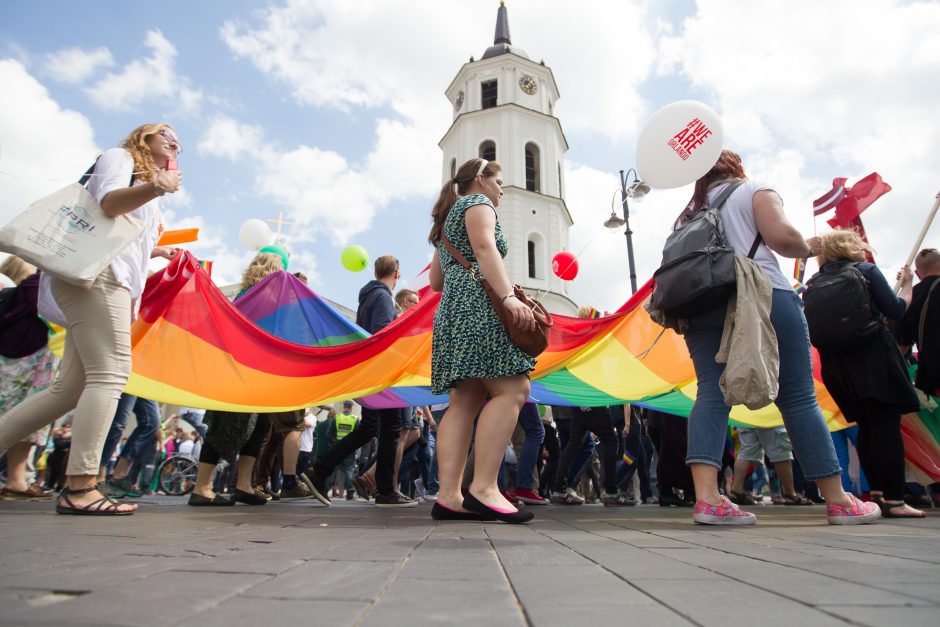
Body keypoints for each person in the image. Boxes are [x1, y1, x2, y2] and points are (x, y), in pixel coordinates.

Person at [674, 150, 880, 526]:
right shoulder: (753, 190)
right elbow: (781, 237)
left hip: (701, 305)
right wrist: (810, 247)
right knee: (798, 396)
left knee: (711, 393)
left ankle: (708, 500)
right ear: (736, 167)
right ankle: (838, 500)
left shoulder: (687, 215)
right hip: (763, 293)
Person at [0, 123, 183, 515]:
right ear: (143, 137)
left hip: (103, 280)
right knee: (112, 374)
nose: (174, 140)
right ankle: (81, 485)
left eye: (177, 139)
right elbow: (109, 205)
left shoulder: (147, 186)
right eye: (165, 132)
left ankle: (78, 483)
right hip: (98, 282)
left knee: (65, 391)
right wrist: (157, 187)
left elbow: (114, 240)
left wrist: (156, 255)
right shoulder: (120, 159)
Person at [427, 157, 538, 524]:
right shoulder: (478, 204)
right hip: (478, 305)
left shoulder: (446, 219)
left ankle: (448, 496)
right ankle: (485, 488)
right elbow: (485, 248)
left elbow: (436, 282)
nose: (502, 189)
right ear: (481, 179)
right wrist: (507, 296)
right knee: (512, 389)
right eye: (499, 182)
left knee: (465, 400)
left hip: (451, 310)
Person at [809, 230, 924, 518]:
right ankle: (896, 500)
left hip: (837, 366)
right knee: (885, 426)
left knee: (867, 428)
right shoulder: (866, 271)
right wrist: (907, 285)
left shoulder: (815, 282)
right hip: (873, 358)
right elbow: (895, 310)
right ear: (850, 248)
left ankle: (876, 495)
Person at [301, 257, 416, 507]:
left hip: (370, 372)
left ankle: (319, 470)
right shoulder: (383, 297)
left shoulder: (368, 297)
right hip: (383, 372)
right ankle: (385, 490)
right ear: (396, 274)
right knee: (392, 428)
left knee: (368, 428)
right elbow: (383, 331)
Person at [0, 257, 57, 500]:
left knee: (28, 421)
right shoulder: (38, 285)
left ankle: (17, 480)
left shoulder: (34, 284)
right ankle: (16, 479)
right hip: (22, 361)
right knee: (22, 417)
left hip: (28, 360)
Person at [896, 247, 940, 395]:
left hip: (932, 370)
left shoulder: (911, 296)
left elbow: (902, 346)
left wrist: (905, 287)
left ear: (917, 273)